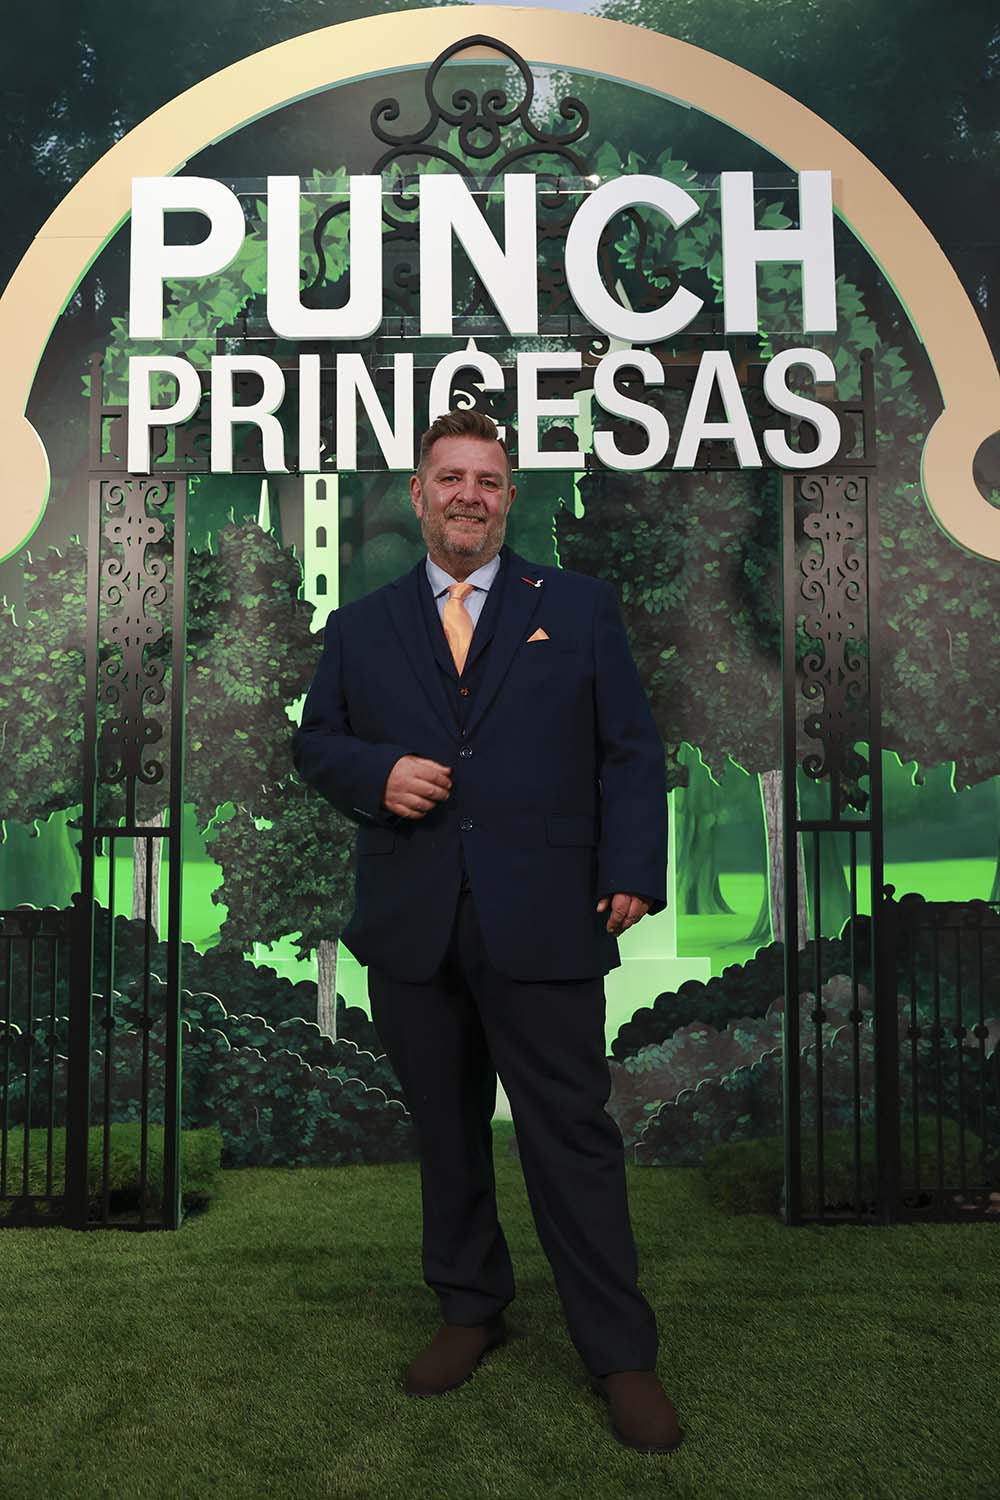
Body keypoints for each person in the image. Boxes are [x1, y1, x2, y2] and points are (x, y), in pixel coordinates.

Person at [291, 408, 684, 1455]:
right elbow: (316, 744)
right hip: (412, 925)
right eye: (451, 477)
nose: (469, 494)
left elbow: (630, 751)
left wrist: (632, 869)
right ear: (418, 494)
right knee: (445, 1131)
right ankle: (470, 1309)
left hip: (549, 915)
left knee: (572, 1139)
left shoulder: (581, 607)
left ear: (509, 498)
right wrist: (377, 772)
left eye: (489, 480)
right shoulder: (361, 625)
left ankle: (621, 1355)